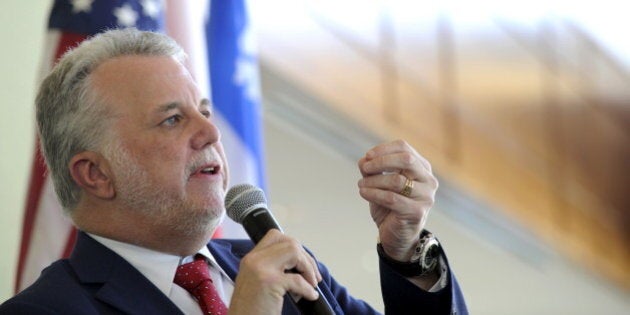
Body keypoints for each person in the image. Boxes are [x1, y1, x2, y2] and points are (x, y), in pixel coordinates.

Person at [0, 28, 467, 315]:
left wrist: (407, 252)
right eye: (171, 119)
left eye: (203, 110)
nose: (210, 131)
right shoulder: (48, 309)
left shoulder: (276, 263)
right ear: (95, 174)